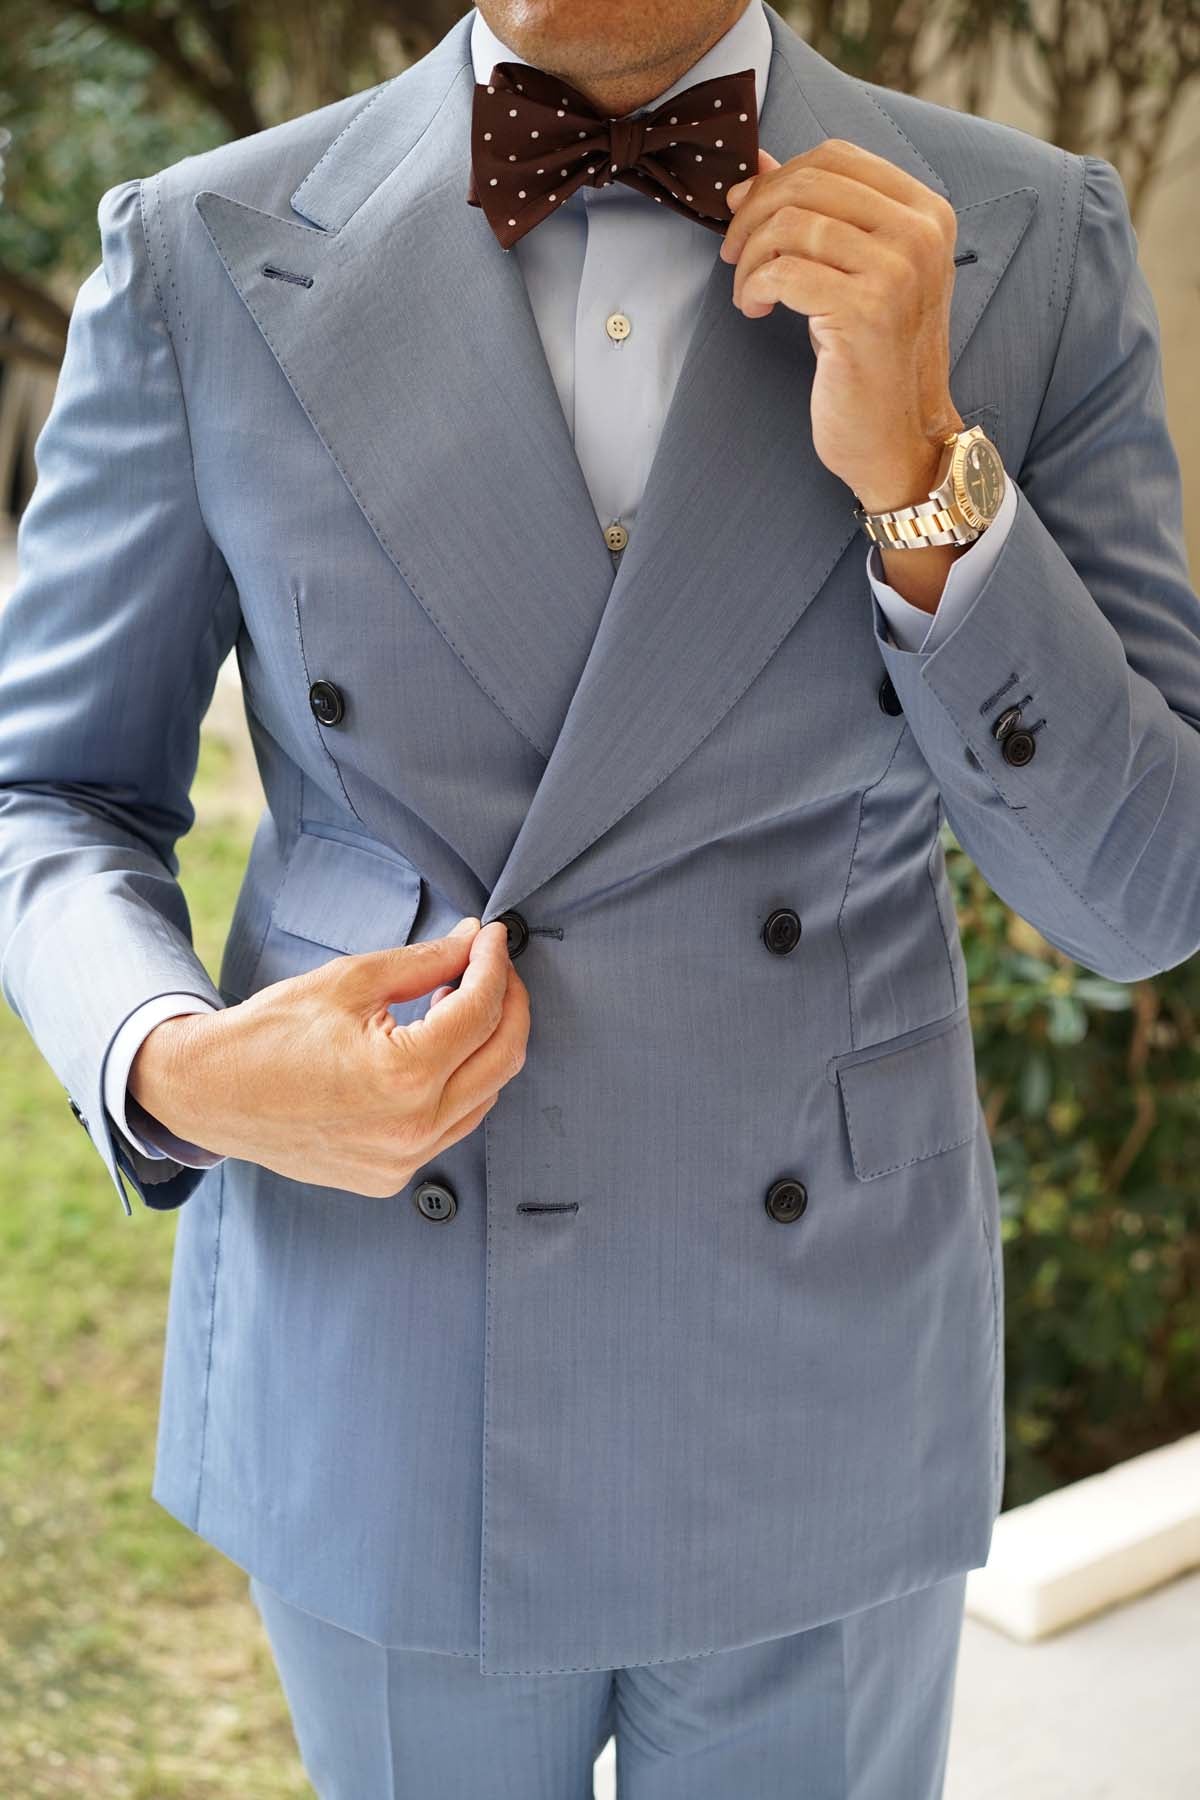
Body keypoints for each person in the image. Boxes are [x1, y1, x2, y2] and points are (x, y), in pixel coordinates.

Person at [1, 0, 1196, 1792]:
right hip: (389, 1354)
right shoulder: (205, 252)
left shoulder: (1021, 241)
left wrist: (927, 480)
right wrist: (174, 1061)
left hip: (818, 1385)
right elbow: (50, 793)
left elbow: (1142, 892)